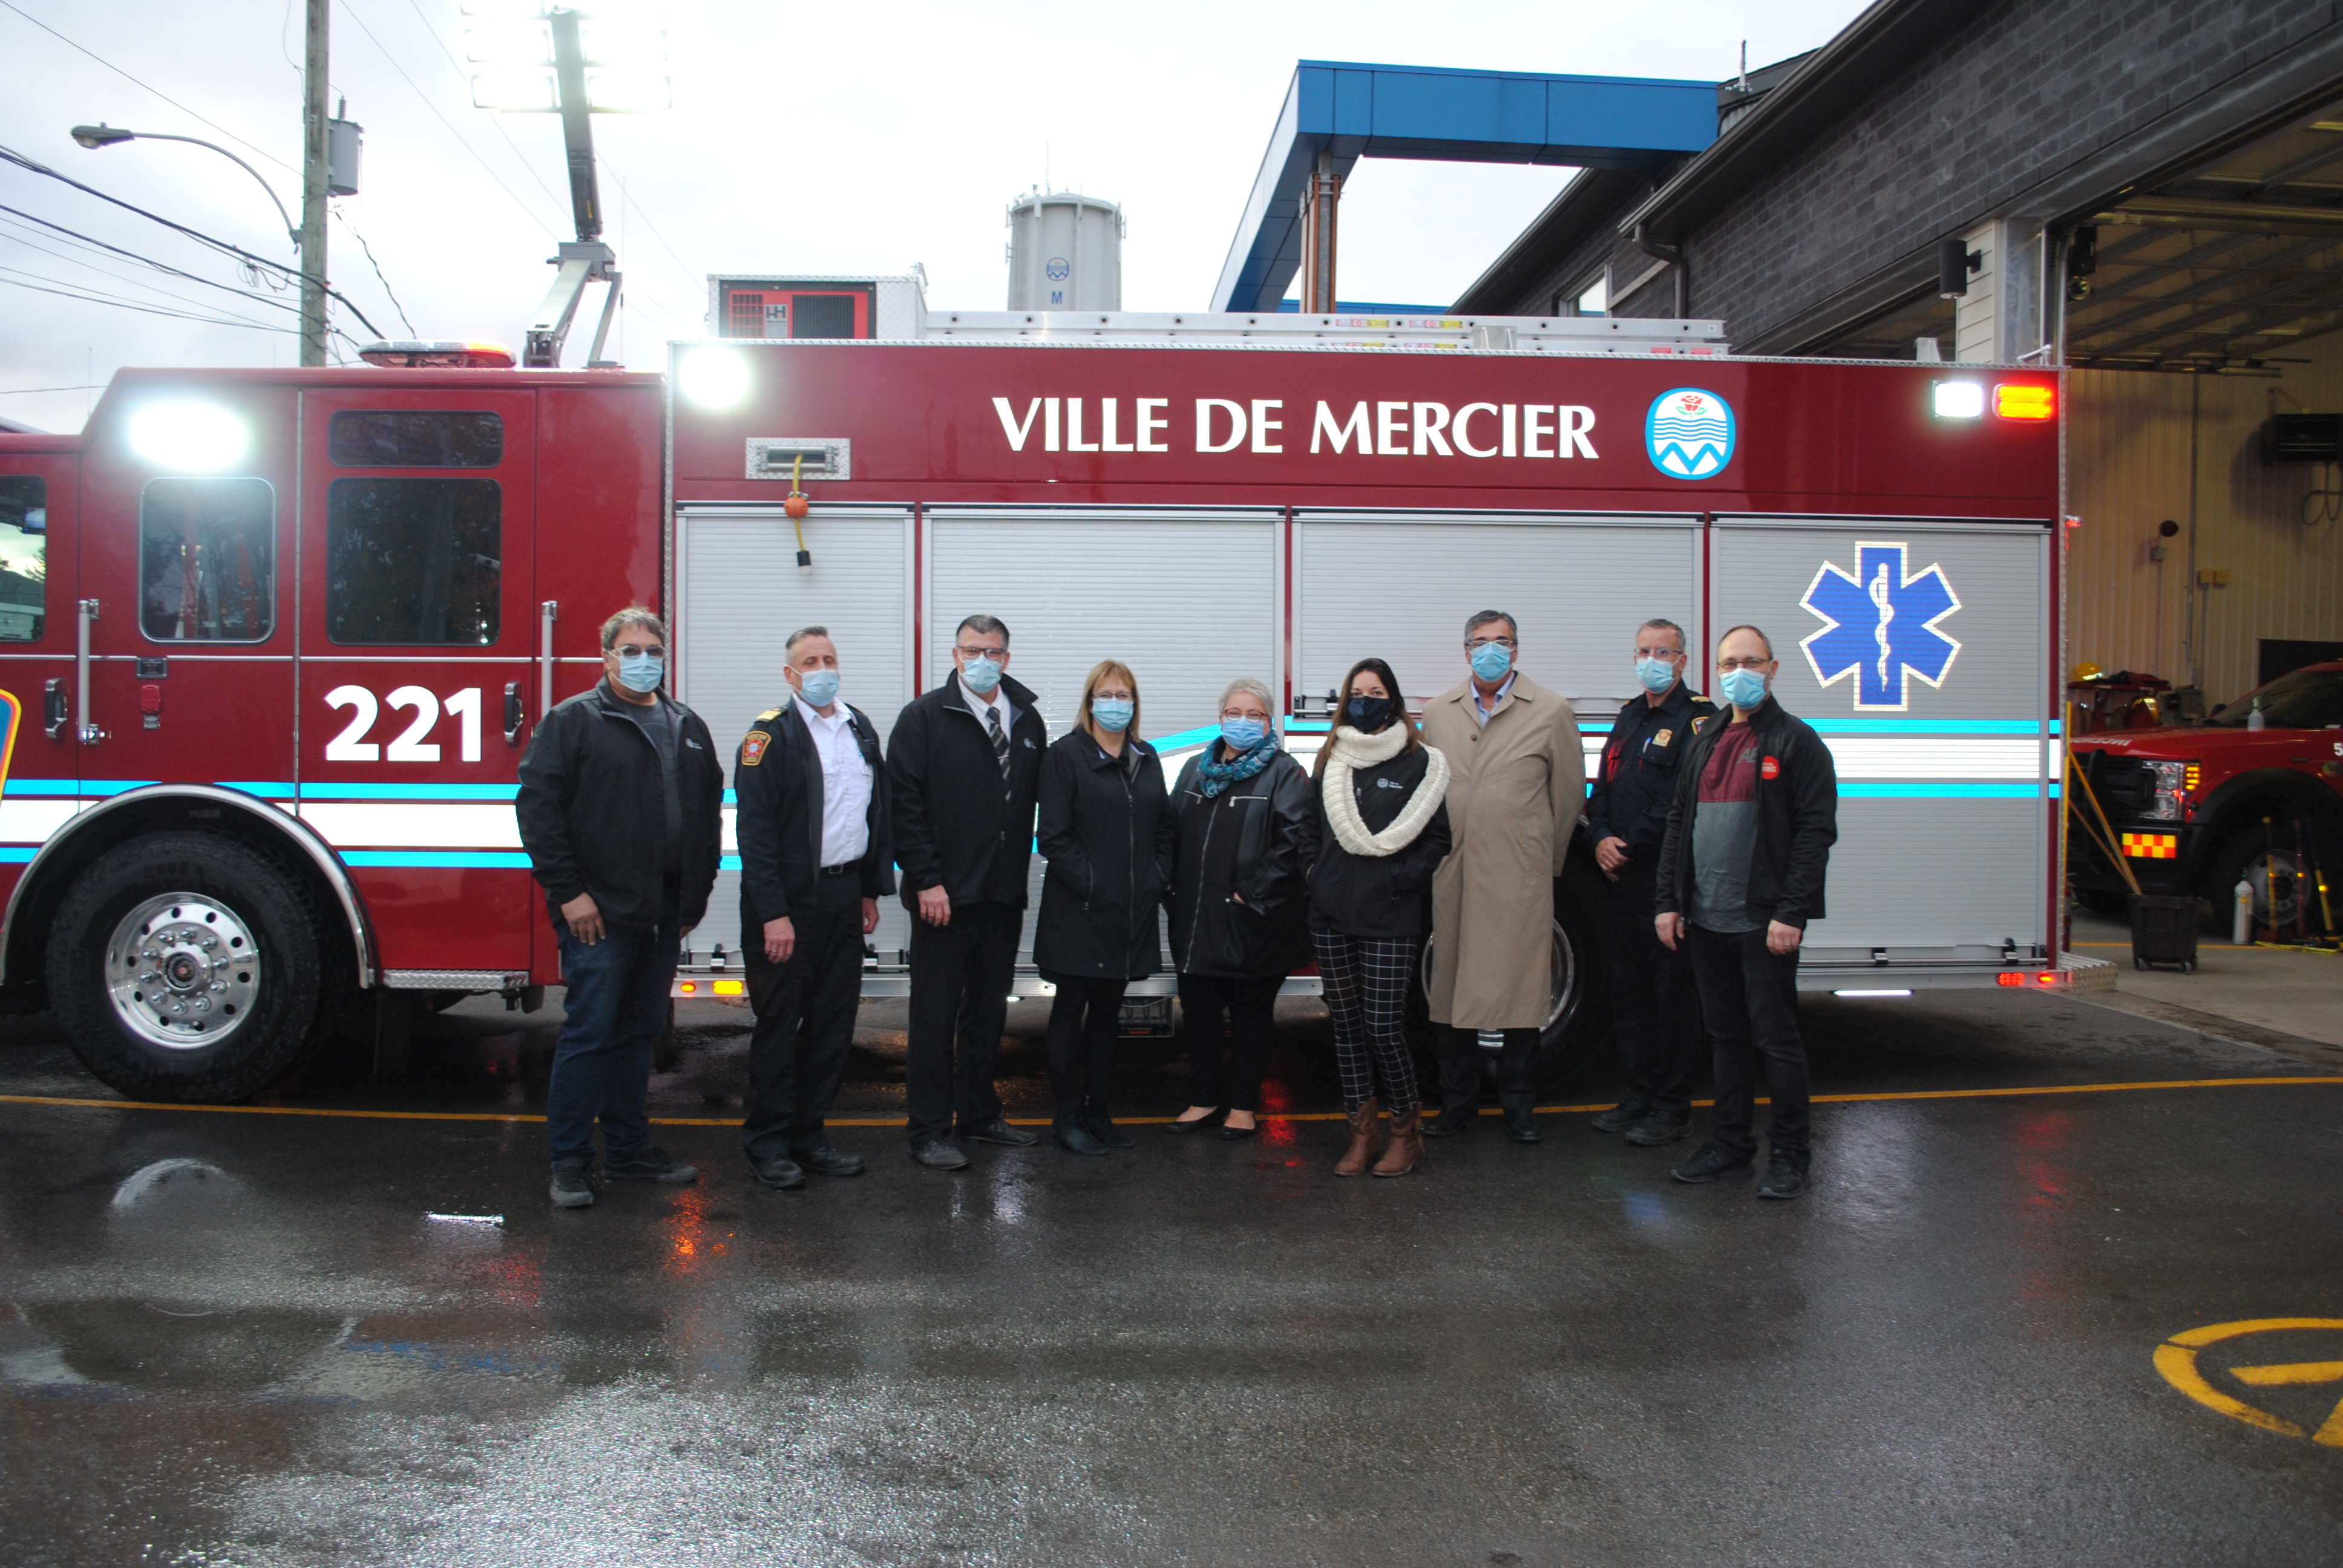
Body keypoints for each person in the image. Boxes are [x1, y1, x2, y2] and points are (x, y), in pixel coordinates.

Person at [516, 607, 724, 1209]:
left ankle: (630, 1152)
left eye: (651, 648)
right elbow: (538, 810)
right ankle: (571, 1162)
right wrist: (569, 893)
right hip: (597, 914)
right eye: (629, 650)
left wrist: (694, 896)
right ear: (606, 658)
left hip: (661, 911)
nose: (642, 659)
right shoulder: (573, 722)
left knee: (636, 1036)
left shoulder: (686, 725)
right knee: (590, 1034)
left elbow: (706, 818)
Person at [1654, 624, 1838, 1200]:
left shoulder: (1797, 741)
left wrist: (1792, 912)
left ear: (1773, 669)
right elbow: (1679, 821)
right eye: (1730, 662)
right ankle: (1731, 1147)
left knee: (1776, 1041)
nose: (1741, 672)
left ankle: (1791, 1157)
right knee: (1726, 1039)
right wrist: (1669, 900)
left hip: (1765, 923)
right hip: (1706, 919)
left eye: (1752, 662)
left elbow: (1815, 833)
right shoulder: (1705, 737)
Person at [732, 626, 893, 1190]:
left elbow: (877, 813)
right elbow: (754, 832)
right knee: (780, 1026)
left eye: (829, 658)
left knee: (832, 1023)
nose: (823, 668)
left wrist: (870, 889)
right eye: (810, 661)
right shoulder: (769, 737)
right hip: (788, 906)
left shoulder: (859, 728)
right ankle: (769, 1143)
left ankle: (810, 1135)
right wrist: (773, 912)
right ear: (790, 675)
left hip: (844, 897)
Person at [888, 615, 1049, 1170]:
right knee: (933, 1017)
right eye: (972, 650)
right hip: (943, 898)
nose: (983, 660)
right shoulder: (923, 719)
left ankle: (979, 1116)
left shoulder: (1026, 719)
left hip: (1001, 894)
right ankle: (929, 1129)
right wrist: (927, 879)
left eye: (994, 651)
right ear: (956, 655)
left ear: (1008, 657)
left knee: (987, 1014)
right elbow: (903, 805)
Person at [1419, 610, 1585, 1144]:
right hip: (1456, 877)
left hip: (1520, 879)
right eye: (1482, 642)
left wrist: (1542, 865)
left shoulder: (1552, 710)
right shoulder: (1438, 713)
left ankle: (1519, 1108)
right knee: (1450, 997)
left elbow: (1567, 799)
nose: (1492, 650)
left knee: (1520, 999)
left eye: (1503, 642)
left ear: (1517, 650)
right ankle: (1457, 1105)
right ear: (1466, 650)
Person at [1306, 658, 1451, 1178]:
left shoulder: (1420, 763)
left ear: (1393, 698)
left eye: (1376, 691)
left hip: (1390, 916)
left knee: (1385, 1027)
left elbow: (1438, 839)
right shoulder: (1332, 758)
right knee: (1345, 1028)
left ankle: (1405, 1134)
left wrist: (1398, 881)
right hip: (1331, 916)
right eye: (1358, 692)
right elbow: (1309, 828)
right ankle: (1361, 1134)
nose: (1366, 700)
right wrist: (1315, 877)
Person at [1585, 619, 1717, 1148]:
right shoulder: (1629, 717)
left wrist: (1628, 843)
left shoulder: (1699, 719)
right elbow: (1603, 789)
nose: (1652, 660)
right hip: (1619, 881)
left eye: (1663, 652)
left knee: (1672, 998)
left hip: (1665, 881)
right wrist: (1598, 837)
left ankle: (1672, 1105)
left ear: (1683, 661)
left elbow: (1683, 800)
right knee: (1629, 993)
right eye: (1644, 651)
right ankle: (1638, 1094)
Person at [1033, 660, 1173, 1155]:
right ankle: (1067, 1116)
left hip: (1128, 915)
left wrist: (1155, 877)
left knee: (1109, 1014)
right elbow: (1053, 837)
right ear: (1090, 700)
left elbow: (1163, 829)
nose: (1115, 703)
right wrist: (1096, 884)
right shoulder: (1064, 757)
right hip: (1079, 912)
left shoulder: (1147, 756)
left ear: (1134, 702)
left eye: (1124, 694)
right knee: (1070, 1012)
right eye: (1106, 694)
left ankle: (1098, 1111)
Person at [1163, 678, 1312, 1140]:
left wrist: (1254, 893)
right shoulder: (1193, 770)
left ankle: (1243, 1106)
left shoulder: (1284, 773)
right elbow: (1169, 832)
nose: (1241, 722)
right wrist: (1170, 888)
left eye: (1253, 715)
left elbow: (1294, 841)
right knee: (1200, 1013)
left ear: (1269, 723)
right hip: (1195, 919)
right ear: (1220, 716)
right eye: (1233, 712)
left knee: (1251, 1016)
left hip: (1254, 922)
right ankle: (1204, 1099)